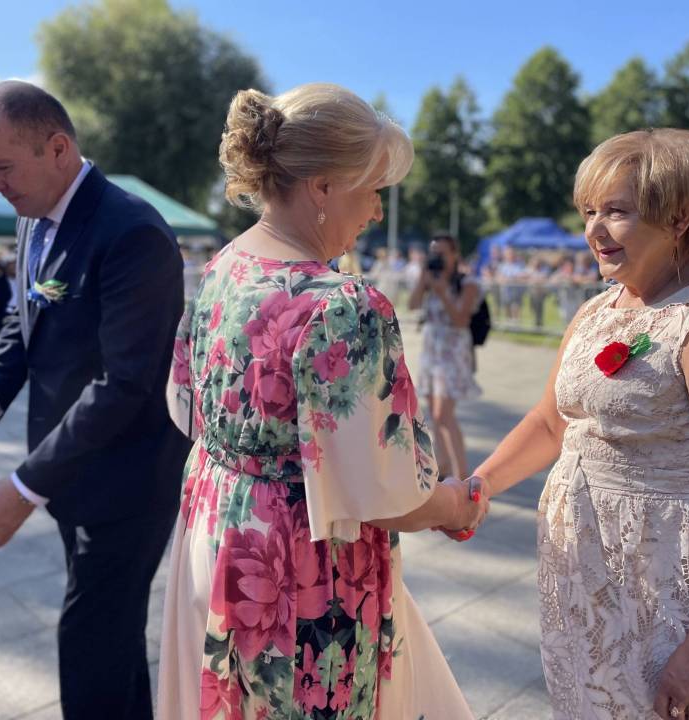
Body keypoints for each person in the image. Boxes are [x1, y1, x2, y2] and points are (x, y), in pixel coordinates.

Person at [159, 83, 484, 720]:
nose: (378, 212)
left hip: (218, 531)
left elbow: (184, 405)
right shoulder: (342, 305)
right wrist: (456, 504)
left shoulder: (225, 267)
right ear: (324, 187)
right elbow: (390, 493)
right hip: (300, 568)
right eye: (373, 190)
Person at [467, 129, 689, 719]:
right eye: (589, 212)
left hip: (681, 602)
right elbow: (552, 424)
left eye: (616, 212)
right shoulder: (598, 309)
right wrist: (478, 488)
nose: (593, 230)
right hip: (597, 593)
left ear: (678, 217)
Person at [0, 81, 186, 720]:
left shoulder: (132, 231)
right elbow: (25, 320)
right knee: (112, 642)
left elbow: (126, 382)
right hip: (74, 475)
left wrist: (23, 487)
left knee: (89, 646)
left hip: (127, 482)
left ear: (57, 148)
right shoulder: (33, 217)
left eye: (2, 166)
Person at [408, 233, 482, 480]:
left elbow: (460, 319)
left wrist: (442, 293)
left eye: (442, 253)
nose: (437, 258)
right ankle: (443, 467)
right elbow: (412, 304)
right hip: (432, 351)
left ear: (454, 255)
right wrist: (423, 280)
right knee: (433, 414)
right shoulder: (430, 279)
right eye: (434, 253)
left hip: (453, 353)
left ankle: (462, 474)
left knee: (444, 414)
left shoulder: (468, 283)